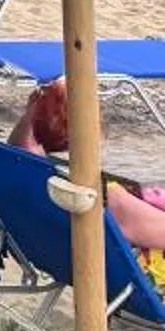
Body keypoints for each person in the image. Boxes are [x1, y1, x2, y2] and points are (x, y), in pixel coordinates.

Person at [10, 82, 165, 261]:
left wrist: (33, 112)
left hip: (48, 248)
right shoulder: (92, 194)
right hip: (94, 264)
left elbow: (22, 144)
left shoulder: (23, 169)